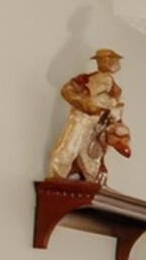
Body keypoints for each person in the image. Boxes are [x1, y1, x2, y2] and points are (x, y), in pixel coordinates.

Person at [46, 48, 130, 184]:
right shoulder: (92, 80)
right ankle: (58, 176)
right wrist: (88, 105)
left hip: (97, 125)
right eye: (110, 60)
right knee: (70, 147)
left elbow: (113, 117)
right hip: (83, 118)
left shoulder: (113, 87)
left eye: (114, 60)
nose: (113, 63)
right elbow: (72, 93)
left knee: (92, 155)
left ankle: (89, 179)